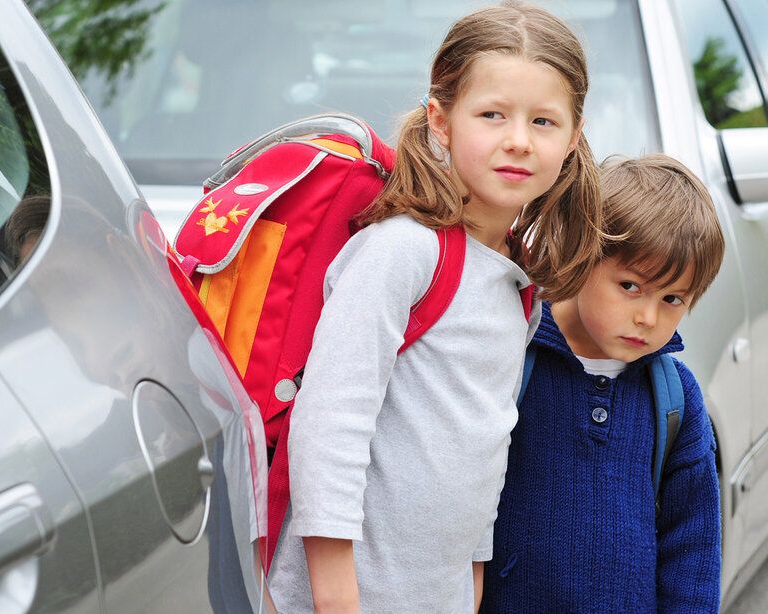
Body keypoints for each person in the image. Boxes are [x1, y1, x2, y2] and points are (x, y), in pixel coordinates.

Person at [265, 2, 605, 612]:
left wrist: (472, 573)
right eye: (492, 115)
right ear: (440, 122)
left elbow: (482, 437)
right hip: (345, 598)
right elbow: (330, 423)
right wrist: (334, 594)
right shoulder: (404, 251)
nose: (519, 141)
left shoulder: (514, 279)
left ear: (573, 137)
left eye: (545, 122)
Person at [481, 154, 726, 613]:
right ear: (581, 255)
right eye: (630, 286)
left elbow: (692, 550)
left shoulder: (675, 398)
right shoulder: (512, 357)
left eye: (672, 298)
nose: (648, 318)